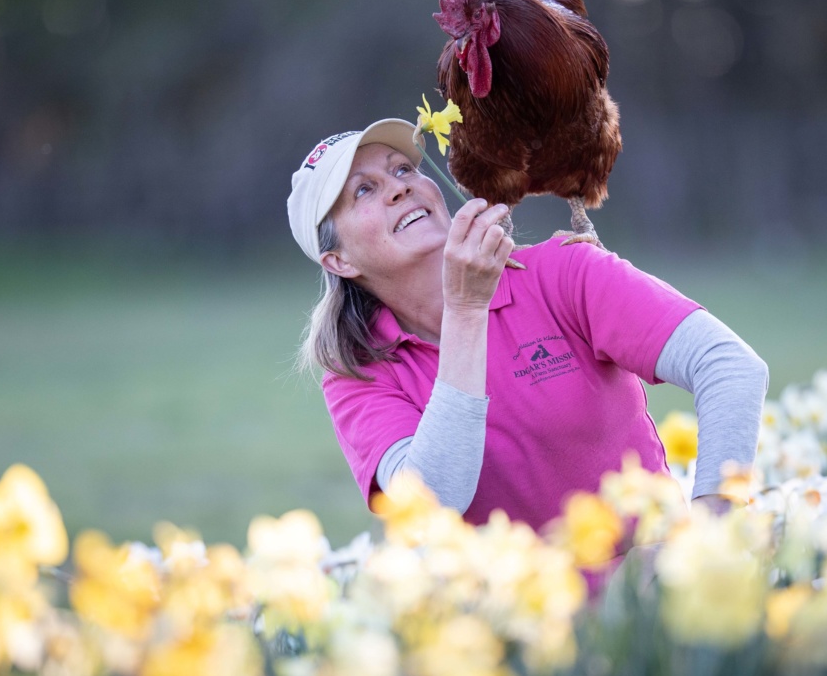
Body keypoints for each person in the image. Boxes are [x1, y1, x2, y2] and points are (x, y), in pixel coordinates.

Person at [287, 118, 767, 544]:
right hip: (513, 633)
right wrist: (467, 309)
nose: (399, 187)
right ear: (339, 260)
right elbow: (431, 503)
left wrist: (710, 532)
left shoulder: (565, 270)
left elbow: (730, 367)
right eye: (363, 191)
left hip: (645, 617)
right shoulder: (356, 372)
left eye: (403, 169)